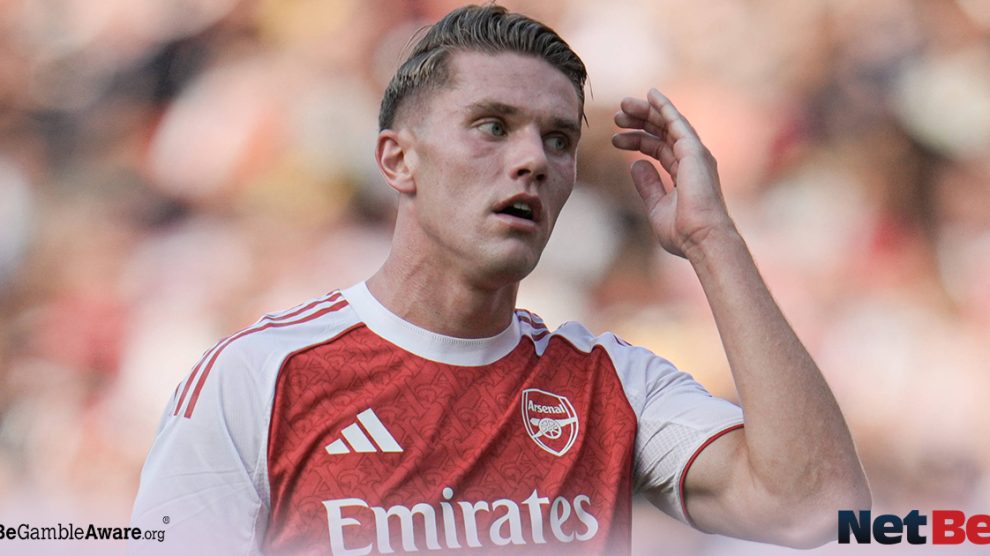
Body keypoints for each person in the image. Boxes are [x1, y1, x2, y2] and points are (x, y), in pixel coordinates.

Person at [130, 4, 870, 554]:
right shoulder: (259, 378)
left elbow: (817, 508)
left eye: (559, 139)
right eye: (492, 126)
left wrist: (714, 241)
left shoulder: (612, 386)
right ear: (398, 161)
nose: (533, 160)